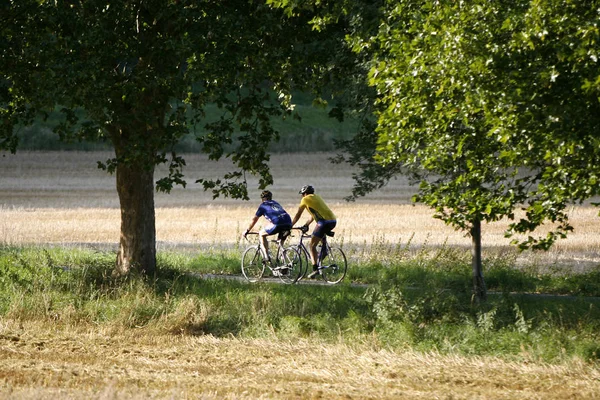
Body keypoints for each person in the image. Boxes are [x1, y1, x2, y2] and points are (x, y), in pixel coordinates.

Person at [291, 185, 337, 278]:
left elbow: (298, 214)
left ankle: (315, 269)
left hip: (323, 222)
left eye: (302, 194)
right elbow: (313, 215)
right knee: (320, 237)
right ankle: (323, 252)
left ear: (305, 194)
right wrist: (306, 224)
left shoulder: (305, 199)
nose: (302, 196)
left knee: (312, 245)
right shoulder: (317, 197)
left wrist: (290, 226)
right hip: (333, 221)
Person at [244, 190, 293, 265]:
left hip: (278, 223)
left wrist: (247, 230)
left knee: (261, 234)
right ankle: (284, 264)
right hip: (288, 222)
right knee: (280, 244)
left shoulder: (263, 206)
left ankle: (266, 256)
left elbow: (254, 220)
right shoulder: (276, 203)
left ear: (262, 199)